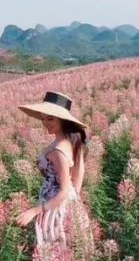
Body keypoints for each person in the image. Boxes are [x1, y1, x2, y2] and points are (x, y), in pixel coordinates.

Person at [14, 90, 91, 246]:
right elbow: (79, 173)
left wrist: (34, 211)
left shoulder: (59, 150)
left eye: (50, 119)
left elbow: (62, 191)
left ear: (62, 120)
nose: (45, 123)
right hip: (64, 204)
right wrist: (73, 199)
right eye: (43, 118)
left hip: (54, 206)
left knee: (54, 253)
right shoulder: (72, 140)